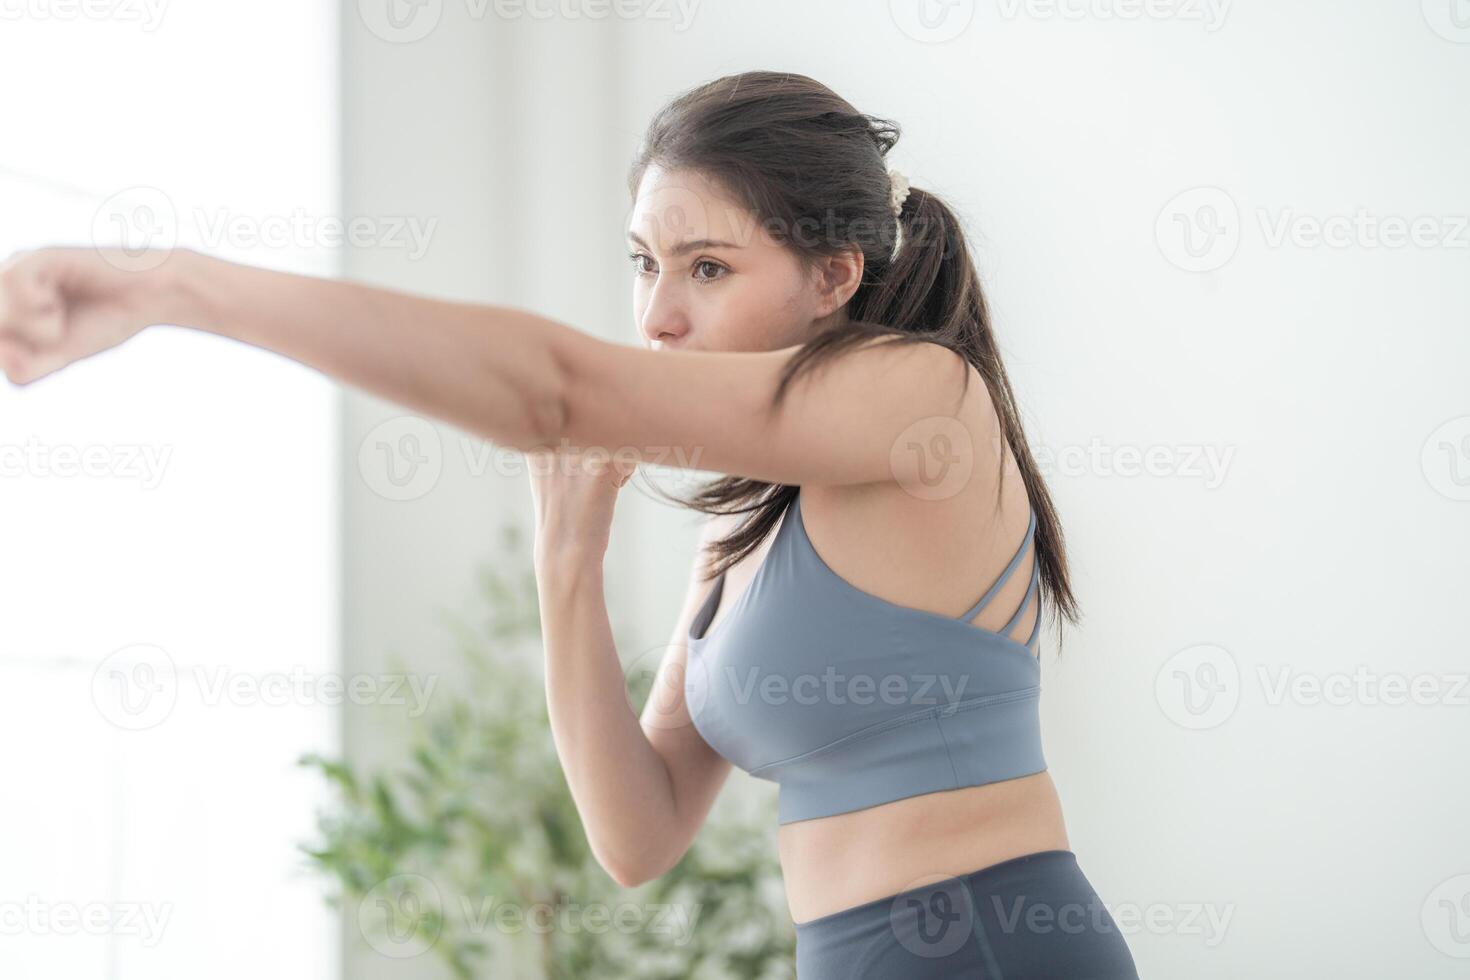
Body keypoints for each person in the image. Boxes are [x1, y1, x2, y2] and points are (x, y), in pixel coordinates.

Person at [0, 70, 1139, 979]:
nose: (657, 313)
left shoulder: (924, 395)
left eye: (707, 266)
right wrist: (567, 562)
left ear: (834, 273)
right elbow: (637, 836)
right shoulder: (744, 534)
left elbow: (558, 388)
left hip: (991, 943)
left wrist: (174, 287)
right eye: (644, 263)